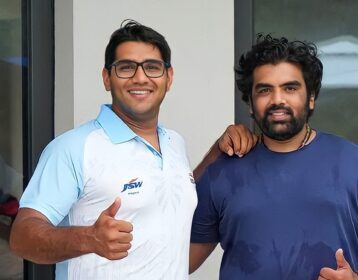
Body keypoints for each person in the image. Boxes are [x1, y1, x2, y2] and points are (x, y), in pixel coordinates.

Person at [9, 20, 255, 280]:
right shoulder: (74, 147)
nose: (140, 77)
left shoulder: (174, 143)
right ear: (107, 78)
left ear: (168, 78)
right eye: (126, 67)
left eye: (152, 67)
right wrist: (89, 238)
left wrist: (217, 152)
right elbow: (21, 237)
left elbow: (172, 195)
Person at [189, 34, 358, 280]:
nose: (277, 100)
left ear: (311, 98)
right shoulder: (223, 170)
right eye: (264, 90)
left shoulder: (355, 164)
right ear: (251, 104)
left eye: (290, 88)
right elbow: (183, 260)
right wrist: (213, 155)